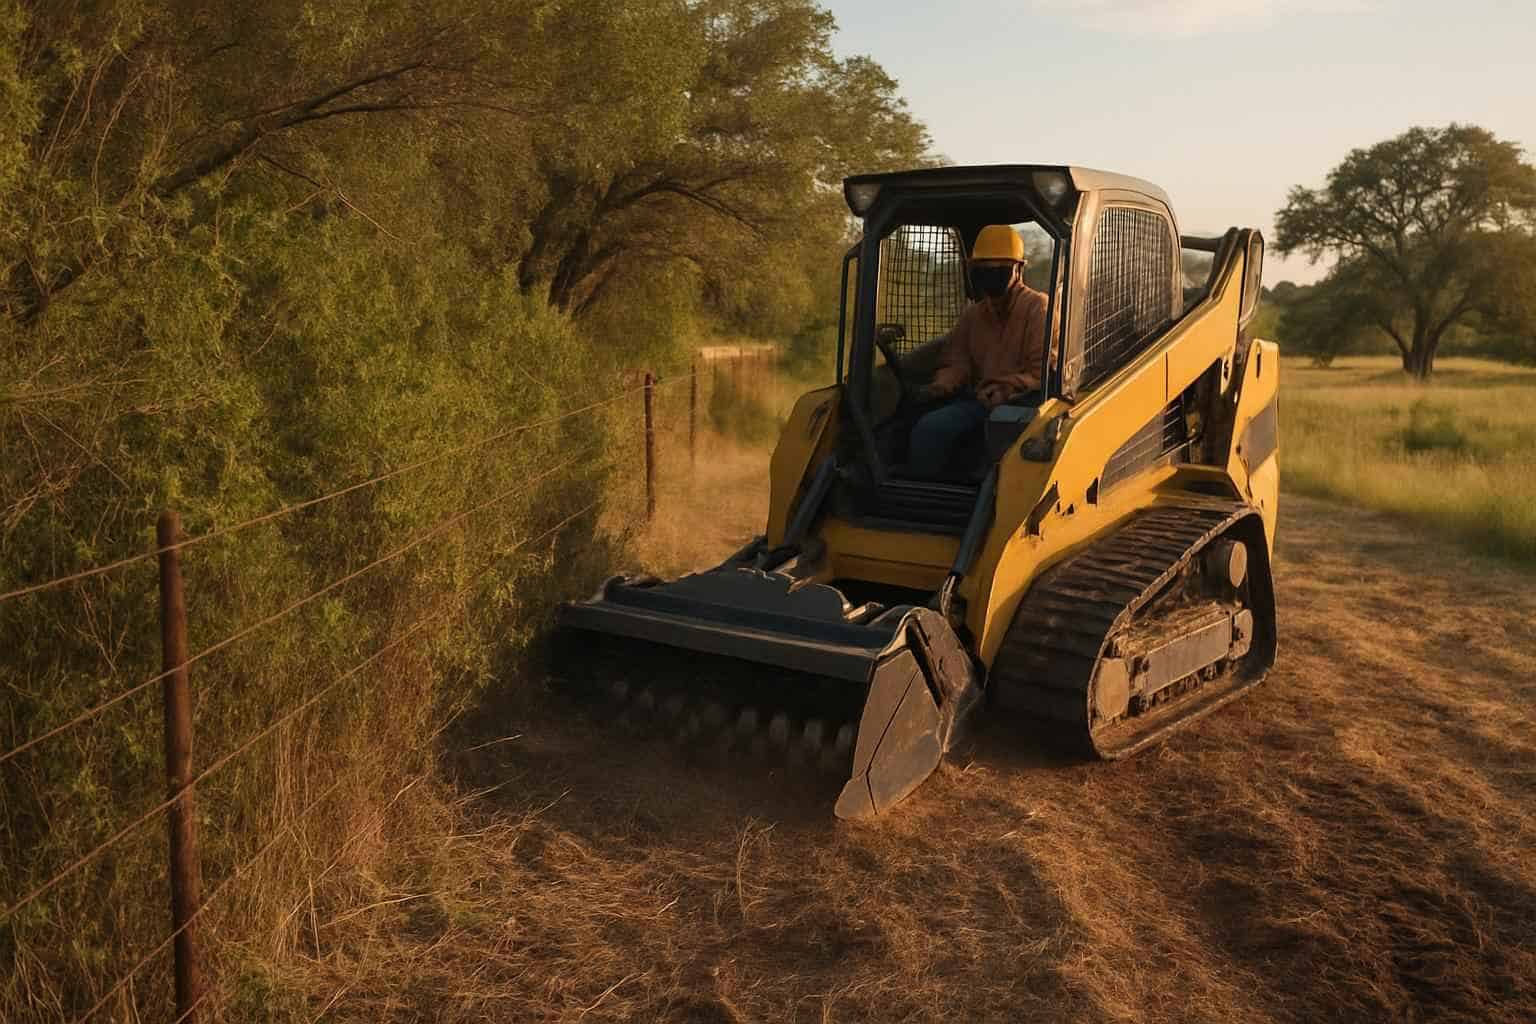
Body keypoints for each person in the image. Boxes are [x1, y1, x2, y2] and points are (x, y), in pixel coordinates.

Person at [907, 225, 1049, 479]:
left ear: (1018, 269)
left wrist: (1006, 389)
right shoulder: (973, 315)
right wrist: (939, 387)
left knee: (998, 433)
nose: (991, 277)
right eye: (984, 271)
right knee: (928, 428)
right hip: (979, 400)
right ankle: (922, 494)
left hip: (1022, 404)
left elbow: (1041, 372)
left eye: (1000, 271)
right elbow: (957, 362)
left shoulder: (1037, 307)